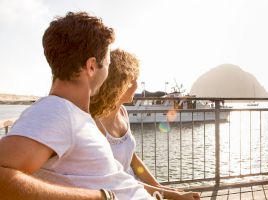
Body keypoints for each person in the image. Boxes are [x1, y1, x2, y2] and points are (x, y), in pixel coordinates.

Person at [0, 12, 154, 200]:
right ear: (91, 66)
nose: (107, 71)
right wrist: (99, 197)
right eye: (107, 63)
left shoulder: (72, 114)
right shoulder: (56, 111)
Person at [90, 49, 201, 200]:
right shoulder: (96, 124)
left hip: (134, 191)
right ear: (117, 83)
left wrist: (159, 187)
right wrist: (173, 195)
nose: (136, 86)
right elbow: (121, 182)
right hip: (119, 193)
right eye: (132, 81)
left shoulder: (123, 112)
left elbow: (133, 160)